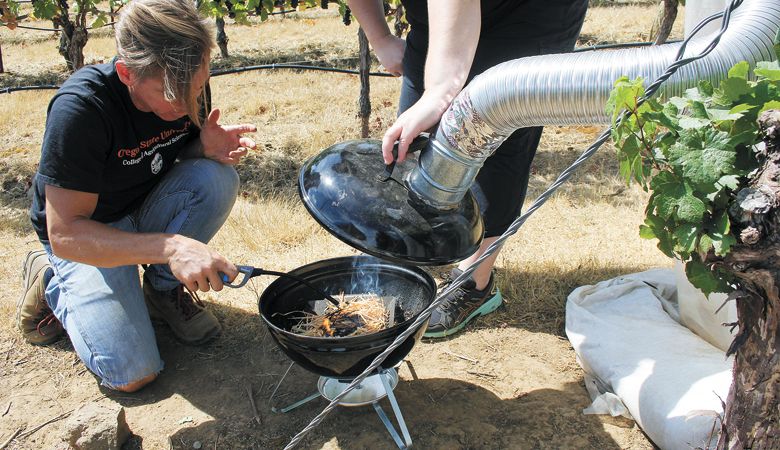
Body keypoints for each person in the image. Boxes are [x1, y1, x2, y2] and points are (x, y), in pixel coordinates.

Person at [15, 0, 256, 392]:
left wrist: (203, 150)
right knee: (132, 373)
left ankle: (162, 290)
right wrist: (173, 247)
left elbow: (170, 156)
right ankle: (50, 278)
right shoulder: (81, 109)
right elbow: (67, 234)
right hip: (88, 234)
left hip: (141, 206)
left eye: (197, 87)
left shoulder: (183, 80)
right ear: (127, 74)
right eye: (175, 95)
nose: (189, 104)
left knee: (217, 178)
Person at [347, 0, 588, 337]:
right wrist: (381, 38)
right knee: (417, 148)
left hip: (527, 16)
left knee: (500, 140)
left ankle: (475, 282)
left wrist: (440, 91)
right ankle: (410, 268)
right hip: (434, 16)